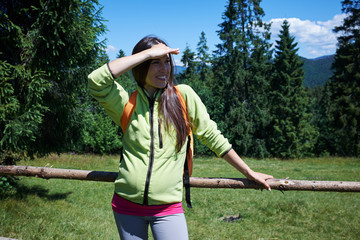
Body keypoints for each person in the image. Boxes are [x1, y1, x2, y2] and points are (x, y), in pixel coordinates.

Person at [88, 35, 273, 240]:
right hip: (125, 206)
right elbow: (96, 80)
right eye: (155, 63)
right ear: (141, 65)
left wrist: (248, 172)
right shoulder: (126, 103)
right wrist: (146, 53)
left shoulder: (183, 96)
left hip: (168, 208)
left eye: (167, 61)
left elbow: (212, 136)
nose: (164, 69)